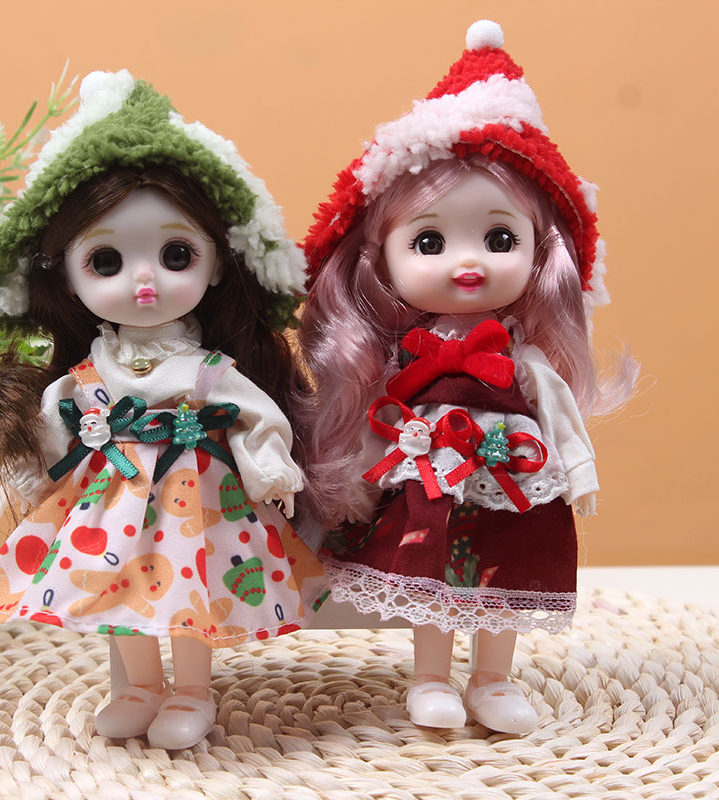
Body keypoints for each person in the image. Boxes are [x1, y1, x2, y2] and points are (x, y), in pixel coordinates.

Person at [0, 70, 326, 749]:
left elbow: (256, 416)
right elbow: (56, 421)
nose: (144, 279)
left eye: (176, 254)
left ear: (217, 265)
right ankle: (136, 688)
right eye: (106, 260)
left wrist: (268, 465)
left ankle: (191, 691)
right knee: (114, 586)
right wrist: (29, 470)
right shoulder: (91, 370)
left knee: (189, 590)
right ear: (68, 275)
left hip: (197, 501)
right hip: (108, 501)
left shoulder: (209, 371)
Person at [297, 20, 636, 734]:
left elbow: (560, 414)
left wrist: (579, 470)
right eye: (429, 240)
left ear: (540, 253)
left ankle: (492, 679)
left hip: (515, 486)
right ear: (380, 259)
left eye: (499, 237)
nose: (468, 261)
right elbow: (377, 420)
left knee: (508, 575)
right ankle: (430, 678)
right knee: (427, 578)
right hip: (427, 490)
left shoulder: (521, 358)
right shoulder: (399, 359)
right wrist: (356, 480)